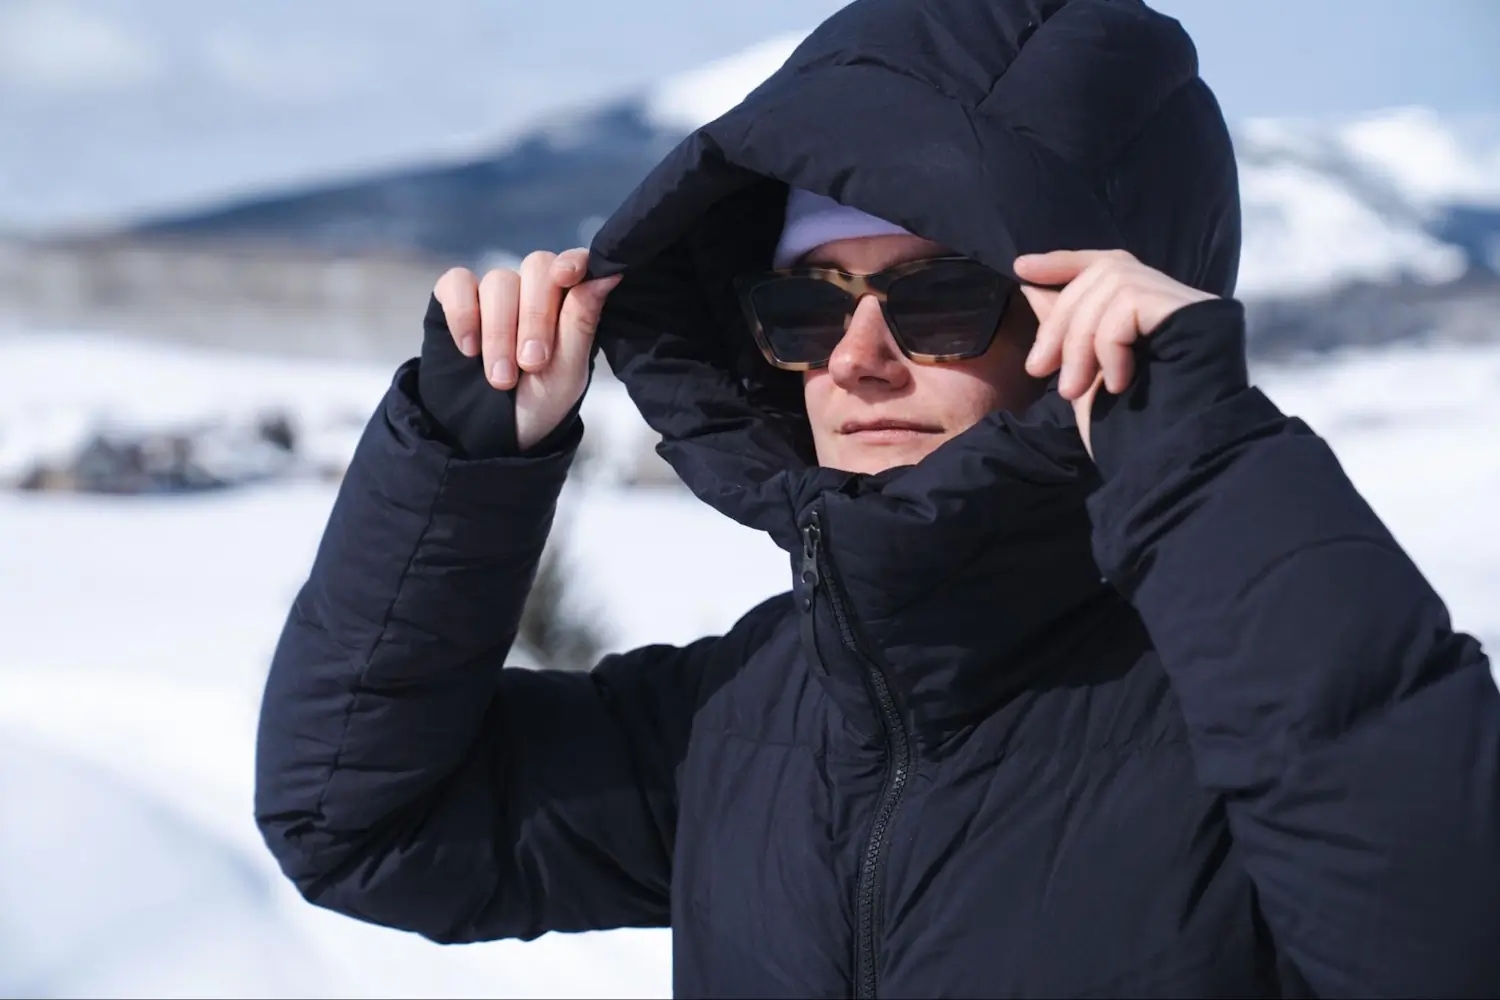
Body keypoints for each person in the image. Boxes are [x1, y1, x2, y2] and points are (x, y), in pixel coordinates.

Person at [254, 0, 1500, 995]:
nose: (855, 360)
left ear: (1101, 314)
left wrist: (1199, 446)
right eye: (803, 307)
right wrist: (462, 462)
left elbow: (1440, 946)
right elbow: (359, 823)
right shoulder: (746, 714)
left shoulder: (1246, 719)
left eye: (939, 299)